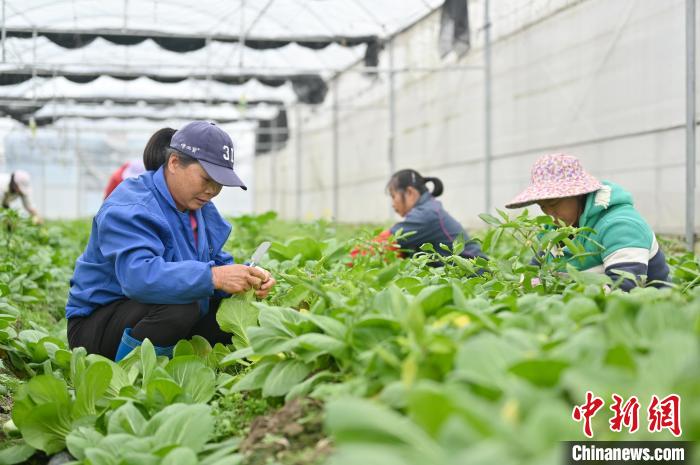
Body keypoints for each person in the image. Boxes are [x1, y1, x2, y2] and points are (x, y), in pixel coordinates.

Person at [66, 121, 275, 361]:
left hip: (150, 313)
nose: (212, 190)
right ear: (174, 162)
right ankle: (127, 378)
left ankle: (180, 366)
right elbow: (138, 278)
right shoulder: (132, 206)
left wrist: (246, 277)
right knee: (181, 307)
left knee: (231, 313)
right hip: (97, 326)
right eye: (207, 179)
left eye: (219, 183)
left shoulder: (197, 208)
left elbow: (215, 261)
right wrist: (214, 276)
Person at [505, 153, 669, 290]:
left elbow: (625, 285)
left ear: (579, 194)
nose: (549, 214)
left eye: (554, 204)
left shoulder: (620, 224)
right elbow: (535, 274)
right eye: (542, 207)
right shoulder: (552, 231)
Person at [353, 169, 486, 261]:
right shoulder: (429, 208)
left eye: (394, 196)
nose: (393, 204)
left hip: (475, 275)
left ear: (410, 192)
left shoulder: (426, 215)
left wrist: (348, 259)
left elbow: (385, 243)